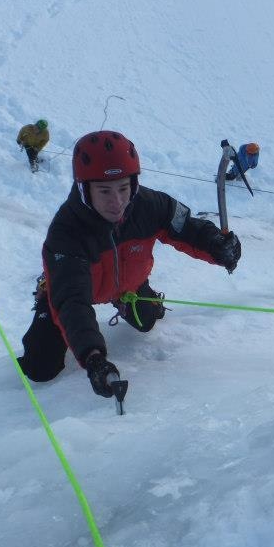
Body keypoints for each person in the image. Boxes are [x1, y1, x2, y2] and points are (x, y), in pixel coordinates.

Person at [17, 130, 242, 398]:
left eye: (123, 188)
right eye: (104, 191)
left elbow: (188, 228)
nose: (117, 202)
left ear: (133, 184)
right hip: (74, 289)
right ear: (84, 188)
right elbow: (73, 302)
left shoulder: (151, 205)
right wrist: (93, 357)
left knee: (147, 322)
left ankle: (127, 297)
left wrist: (217, 246)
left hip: (127, 284)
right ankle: (48, 292)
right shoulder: (66, 232)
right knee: (40, 366)